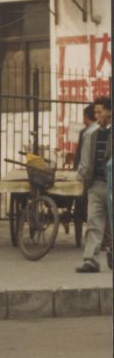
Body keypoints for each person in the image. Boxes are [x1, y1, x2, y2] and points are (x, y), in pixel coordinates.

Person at [75, 95, 112, 274]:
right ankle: (91, 260)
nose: (97, 116)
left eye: (99, 112)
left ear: (109, 112)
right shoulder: (92, 133)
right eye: (95, 112)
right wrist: (83, 176)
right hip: (96, 184)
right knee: (93, 222)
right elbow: (85, 158)